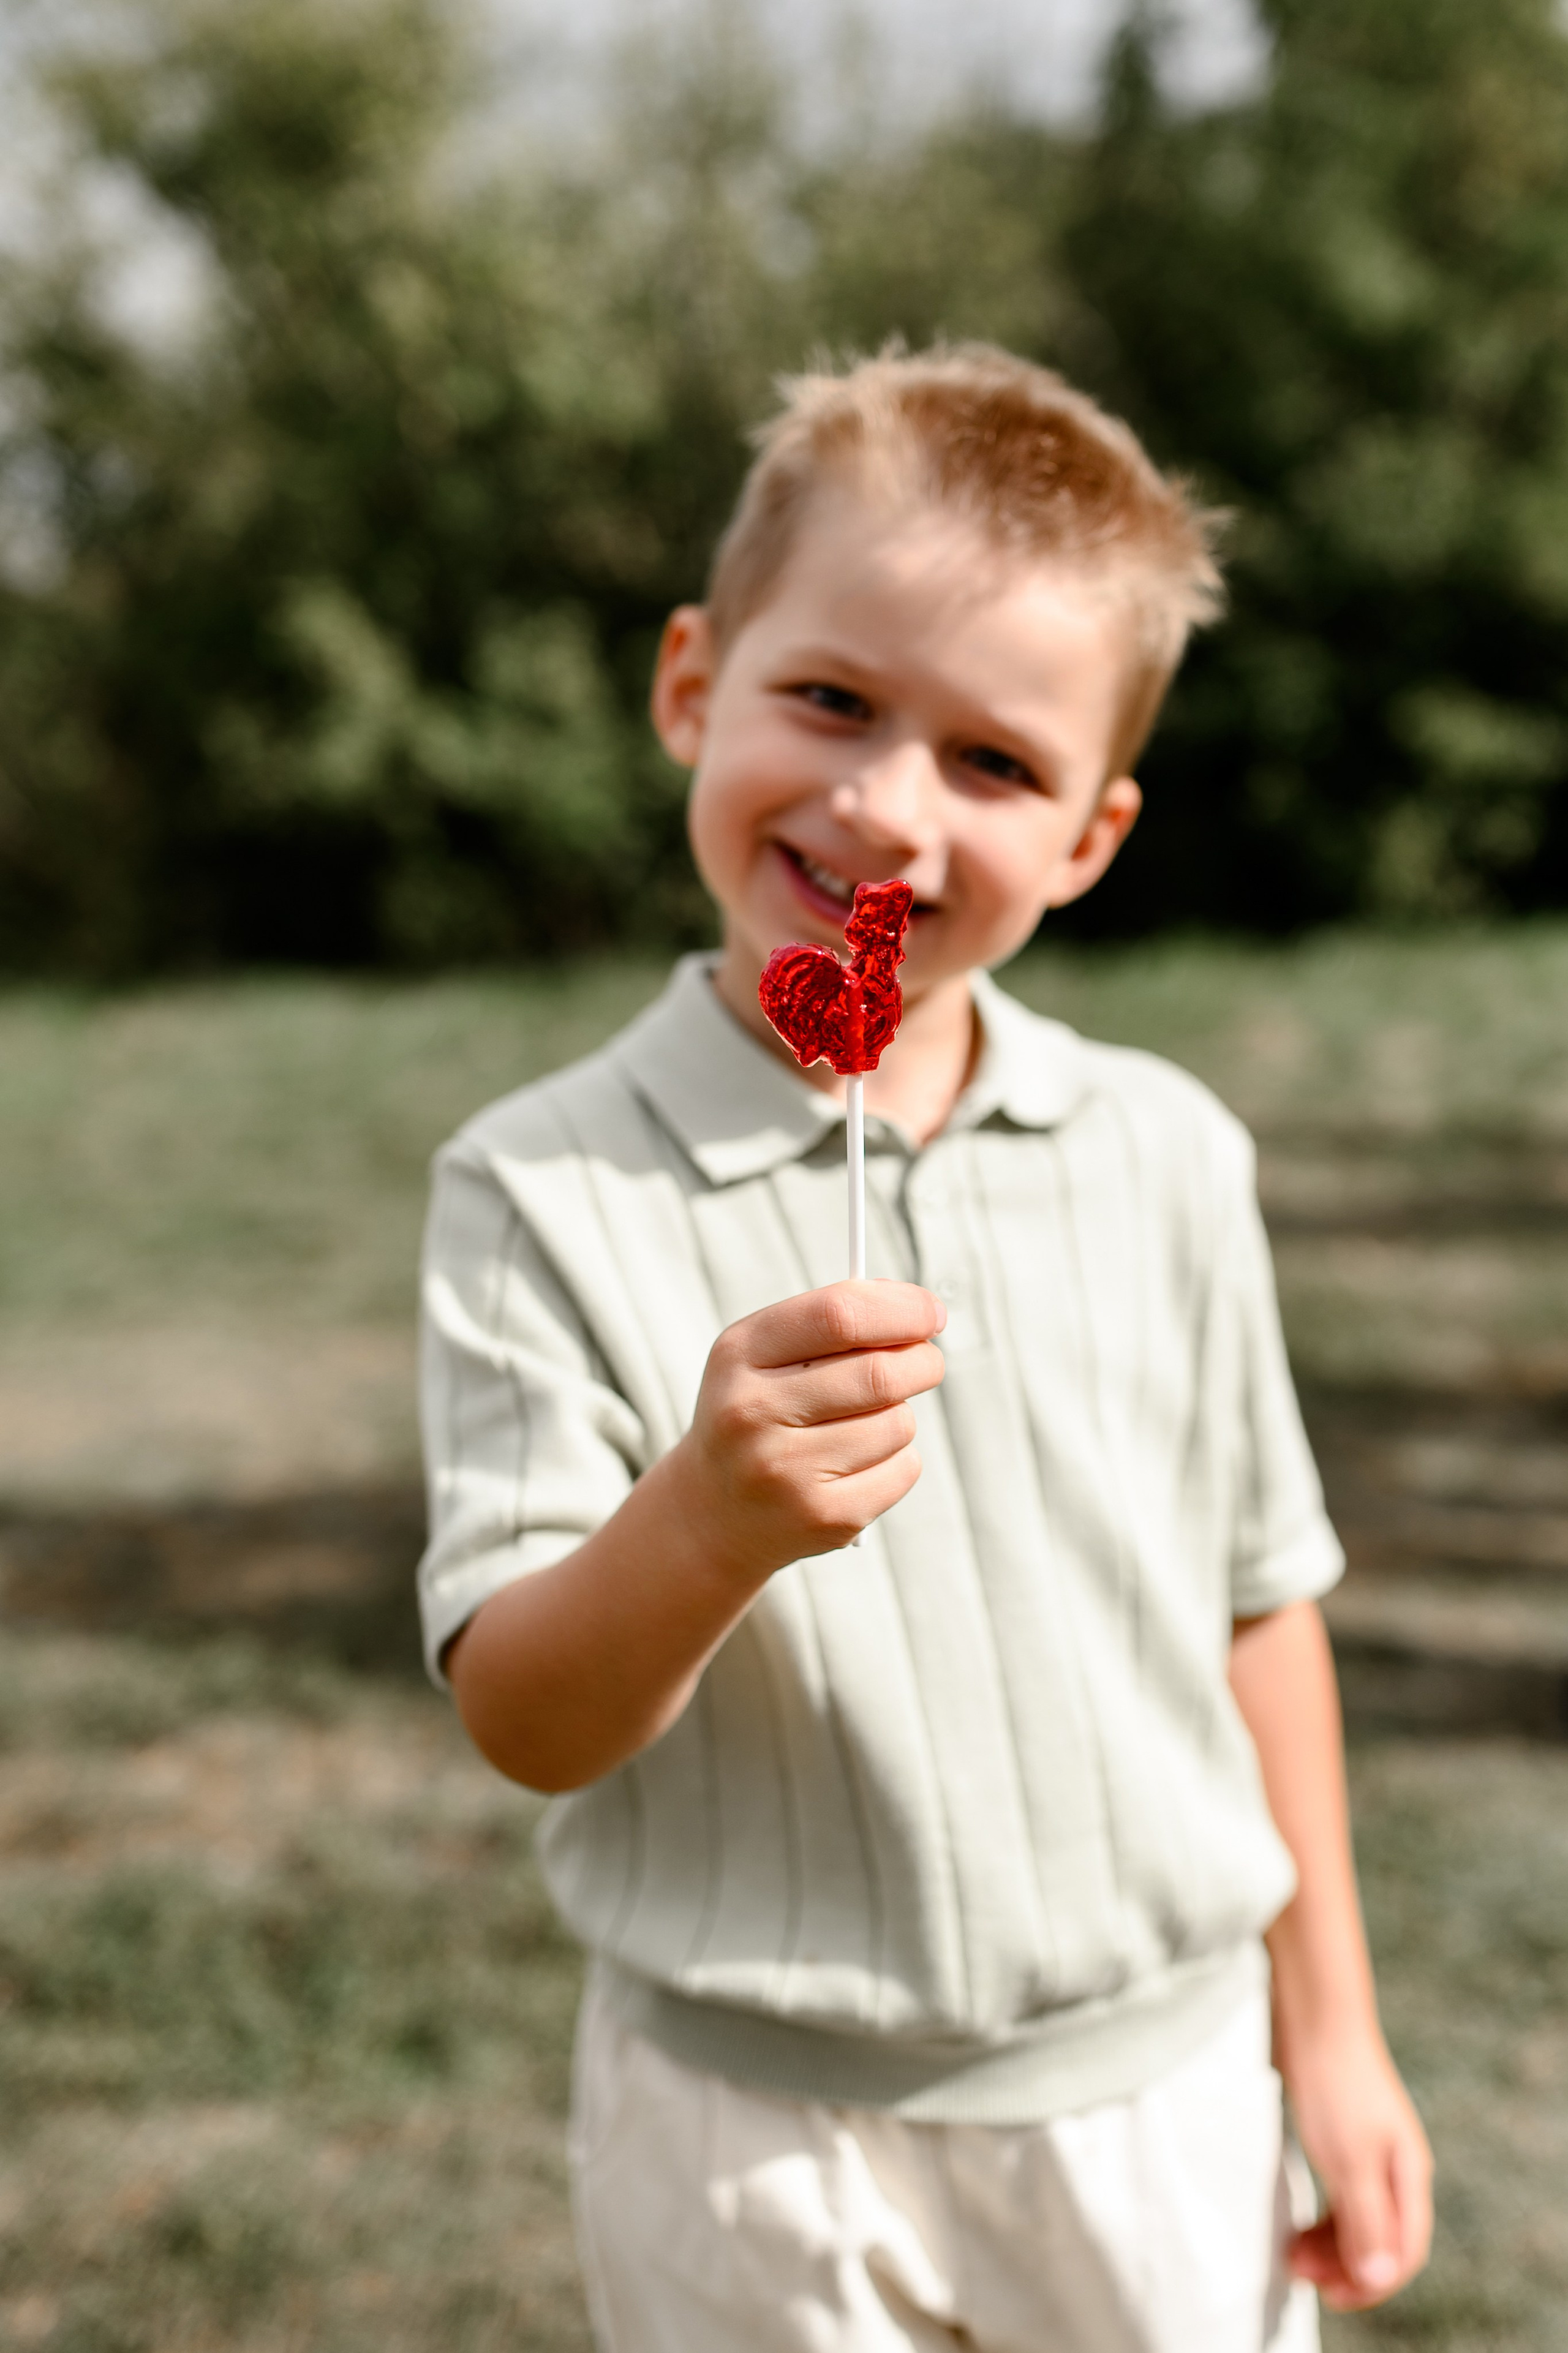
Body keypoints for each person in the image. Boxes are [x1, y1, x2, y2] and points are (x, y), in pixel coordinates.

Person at [417, 344, 1432, 2352]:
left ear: (1090, 839)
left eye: (993, 762)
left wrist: (1333, 2025)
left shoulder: (1165, 1154)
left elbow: (1260, 1602)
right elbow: (524, 1714)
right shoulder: (538, 1188)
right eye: (830, 700)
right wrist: (705, 1522)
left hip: (1158, 2095)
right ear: (692, 683)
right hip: (746, 2129)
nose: (886, 808)